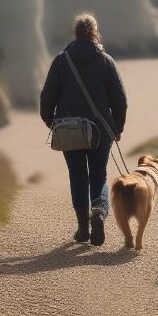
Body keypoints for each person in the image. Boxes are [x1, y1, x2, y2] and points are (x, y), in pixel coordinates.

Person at [40, 13, 127, 246]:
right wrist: (117, 127)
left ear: (75, 33)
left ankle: (82, 229)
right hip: (100, 130)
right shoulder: (106, 61)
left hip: (69, 128)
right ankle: (98, 212)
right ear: (95, 33)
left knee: (77, 176)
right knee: (99, 175)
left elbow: (47, 95)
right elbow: (119, 99)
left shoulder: (61, 60)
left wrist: (50, 120)